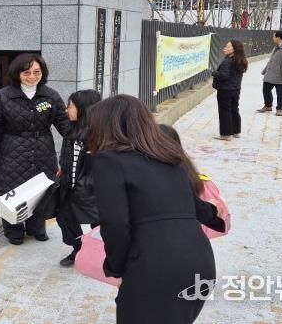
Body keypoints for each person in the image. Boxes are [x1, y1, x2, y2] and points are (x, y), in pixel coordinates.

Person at [87, 95, 225, 324]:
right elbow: (191, 206)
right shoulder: (168, 156)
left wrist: (116, 269)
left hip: (155, 269)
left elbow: (116, 225)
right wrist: (213, 213)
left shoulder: (109, 161)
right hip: (200, 263)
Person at [0, 53, 70, 245]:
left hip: (43, 150)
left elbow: (64, 124)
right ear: (17, 73)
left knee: (40, 190)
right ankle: (14, 231)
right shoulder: (2, 96)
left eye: (36, 72)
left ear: (43, 73)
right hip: (11, 151)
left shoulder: (50, 96)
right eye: (26, 72)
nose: (32, 76)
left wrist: (78, 142)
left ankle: (37, 228)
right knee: (12, 190)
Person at [56, 89, 101, 266]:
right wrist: (63, 170)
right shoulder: (71, 129)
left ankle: (101, 254)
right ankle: (78, 248)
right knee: (65, 218)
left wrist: (87, 184)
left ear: (83, 109)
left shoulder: (99, 134)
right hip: (69, 185)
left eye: (70, 106)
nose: (66, 110)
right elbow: (65, 155)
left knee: (97, 224)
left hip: (91, 189)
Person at [212, 40, 248, 140]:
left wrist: (214, 73)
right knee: (234, 109)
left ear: (234, 49)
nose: (225, 48)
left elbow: (224, 75)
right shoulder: (240, 60)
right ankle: (236, 131)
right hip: (235, 89)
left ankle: (226, 134)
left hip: (225, 90)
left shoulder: (227, 61)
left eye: (228, 46)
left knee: (225, 111)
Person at [257, 30, 282, 116]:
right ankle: (268, 106)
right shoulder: (276, 47)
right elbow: (271, 60)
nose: (273, 38)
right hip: (270, 74)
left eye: (274, 36)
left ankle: (280, 109)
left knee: (280, 93)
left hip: (280, 76)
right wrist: (265, 70)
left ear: (278, 37)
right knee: (265, 90)